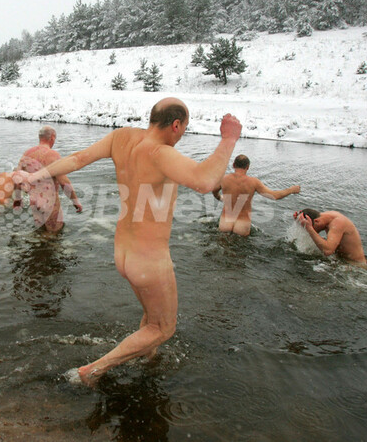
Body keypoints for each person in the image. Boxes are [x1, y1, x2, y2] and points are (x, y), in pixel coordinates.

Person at [15, 97, 241, 386]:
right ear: (176, 125)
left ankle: (148, 359)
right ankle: (93, 371)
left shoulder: (121, 138)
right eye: (184, 128)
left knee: (151, 318)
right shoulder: (160, 153)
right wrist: (229, 139)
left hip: (123, 253)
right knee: (164, 328)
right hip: (149, 259)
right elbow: (204, 181)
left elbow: (77, 159)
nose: (182, 134)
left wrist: (34, 175)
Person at [0, 126, 82, 233]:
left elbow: (18, 179)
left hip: (34, 203)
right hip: (50, 202)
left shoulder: (27, 154)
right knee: (54, 233)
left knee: (39, 231)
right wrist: (75, 201)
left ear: (40, 137)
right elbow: (64, 182)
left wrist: (18, 199)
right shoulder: (53, 155)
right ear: (52, 138)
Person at [212, 154, 300, 236]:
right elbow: (274, 196)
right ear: (247, 167)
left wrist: (220, 198)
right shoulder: (253, 182)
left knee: (223, 243)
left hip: (225, 222)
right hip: (242, 224)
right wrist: (291, 190)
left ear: (233, 165)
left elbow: (214, 191)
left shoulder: (224, 179)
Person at [293, 209, 367, 265]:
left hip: (356, 266)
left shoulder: (338, 223)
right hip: (341, 262)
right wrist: (299, 219)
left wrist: (309, 228)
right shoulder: (326, 217)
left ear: (316, 221)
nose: (308, 231)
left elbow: (328, 251)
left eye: (312, 228)